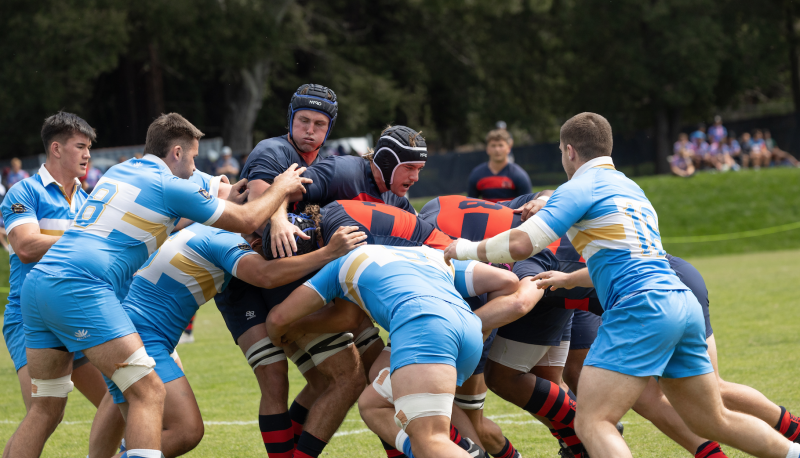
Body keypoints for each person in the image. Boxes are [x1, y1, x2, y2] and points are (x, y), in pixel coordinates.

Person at [443, 112, 800, 458]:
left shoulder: (577, 186)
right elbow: (628, 258)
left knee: (593, 421)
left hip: (641, 307)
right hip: (679, 300)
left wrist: (465, 248)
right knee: (712, 418)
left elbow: (521, 244)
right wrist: (568, 279)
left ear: (569, 151)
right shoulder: (630, 187)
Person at [7, 113, 311, 458]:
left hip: (38, 287)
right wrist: (281, 187)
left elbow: (172, 213)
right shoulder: (169, 186)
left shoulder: (121, 171)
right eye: (194, 158)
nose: (196, 167)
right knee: (148, 392)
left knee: (46, 409)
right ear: (177, 153)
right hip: (81, 286)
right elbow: (248, 220)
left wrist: (229, 194)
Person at [89, 176, 367, 457]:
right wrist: (328, 253)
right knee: (186, 431)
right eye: (266, 220)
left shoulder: (206, 228)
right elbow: (265, 275)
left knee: (140, 431)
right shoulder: (223, 238)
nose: (272, 232)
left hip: (125, 331)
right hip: (142, 338)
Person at [266, 245, 523, 458]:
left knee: (431, 440)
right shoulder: (427, 253)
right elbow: (507, 281)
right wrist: (482, 329)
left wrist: (282, 335)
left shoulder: (340, 264)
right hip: (468, 332)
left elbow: (278, 318)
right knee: (372, 404)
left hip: (424, 329)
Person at [534, 254, 800, 455]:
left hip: (663, 289)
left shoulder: (528, 253)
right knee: (648, 397)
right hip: (648, 295)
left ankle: (793, 429)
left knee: (711, 391)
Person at [1, 112, 125, 458]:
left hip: (76, 315)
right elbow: (25, 247)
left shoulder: (87, 201)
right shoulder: (24, 190)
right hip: (31, 317)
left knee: (118, 401)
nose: (88, 155)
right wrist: (85, 237)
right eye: (80, 147)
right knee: (46, 414)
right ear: (56, 148)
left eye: (89, 147)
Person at [267, 124, 424, 258]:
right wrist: (279, 220)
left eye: (419, 169)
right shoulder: (341, 172)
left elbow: (423, 228)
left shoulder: (396, 199)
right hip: (297, 261)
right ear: (386, 162)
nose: (415, 177)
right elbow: (282, 187)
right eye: (409, 168)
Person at [468, 129, 532, 202]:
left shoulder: (519, 175)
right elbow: (470, 204)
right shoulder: (477, 174)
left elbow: (527, 204)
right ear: (487, 149)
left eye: (501, 145)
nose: (497, 149)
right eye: (493, 145)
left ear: (508, 148)